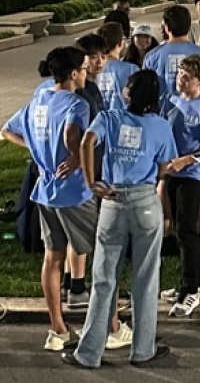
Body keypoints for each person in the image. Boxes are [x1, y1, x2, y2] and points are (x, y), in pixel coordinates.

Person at [63, 69, 177, 368]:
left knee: (103, 279)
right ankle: (143, 349)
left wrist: (91, 182)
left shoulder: (110, 118)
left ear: (128, 93)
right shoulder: (161, 126)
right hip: (146, 202)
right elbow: (165, 167)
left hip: (112, 199)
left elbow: (87, 141)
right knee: (146, 277)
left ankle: (89, 353)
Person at [2, 47, 99, 351]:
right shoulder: (76, 103)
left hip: (45, 191)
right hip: (74, 192)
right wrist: (75, 155)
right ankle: (108, 328)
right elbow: (73, 134)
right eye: (83, 68)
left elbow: (7, 130)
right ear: (73, 74)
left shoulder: (39, 99)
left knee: (52, 258)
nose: (86, 73)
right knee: (105, 255)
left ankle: (58, 329)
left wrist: (36, 149)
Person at [160, 55, 200, 318]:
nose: (180, 80)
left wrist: (189, 159)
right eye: (179, 75)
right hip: (171, 171)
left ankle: (194, 288)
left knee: (187, 229)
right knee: (176, 228)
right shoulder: (171, 101)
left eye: (187, 77)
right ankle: (188, 281)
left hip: (194, 174)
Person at [143, 5, 200, 100]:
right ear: (189, 25)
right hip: (198, 112)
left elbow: (145, 91)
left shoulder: (152, 56)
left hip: (162, 113)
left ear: (167, 28)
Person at [95, 21, 139, 110]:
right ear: (120, 44)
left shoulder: (90, 70)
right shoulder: (132, 69)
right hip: (125, 121)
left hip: (98, 121)